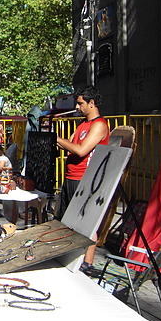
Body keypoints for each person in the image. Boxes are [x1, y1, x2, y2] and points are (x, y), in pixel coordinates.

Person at [55, 85, 109, 273]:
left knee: (86, 222)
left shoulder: (99, 125)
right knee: (67, 220)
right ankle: (70, 256)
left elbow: (81, 150)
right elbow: (70, 145)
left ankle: (88, 263)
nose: (77, 107)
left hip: (85, 180)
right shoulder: (83, 124)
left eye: (80, 103)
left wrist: (57, 138)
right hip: (71, 177)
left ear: (91, 103)